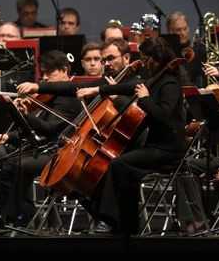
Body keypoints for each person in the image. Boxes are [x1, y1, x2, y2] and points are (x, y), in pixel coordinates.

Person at [73, 37, 187, 235]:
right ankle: (127, 223)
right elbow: (125, 87)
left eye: (145, 58)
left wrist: (145, 99)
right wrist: (97, 89)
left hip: (169, 150)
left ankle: (110, 219)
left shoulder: (170, 83)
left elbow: (165, 116)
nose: (143, 63)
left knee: (119, 164)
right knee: (123, 167)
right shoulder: (155, 80)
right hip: (154, 147)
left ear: (155, 58)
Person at [0, 51, 81, 224]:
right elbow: (36, 132)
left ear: (64, 70)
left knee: (16, 164)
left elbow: (49, 130)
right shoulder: (50, 96)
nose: (45, 78)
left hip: (60, 154)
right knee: (1, 159)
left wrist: (26, 116)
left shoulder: (68, 98)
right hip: (43, 149)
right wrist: (8, 136)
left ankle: (18, 217)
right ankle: (12, 214)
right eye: (43, 74)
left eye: (50, 73)